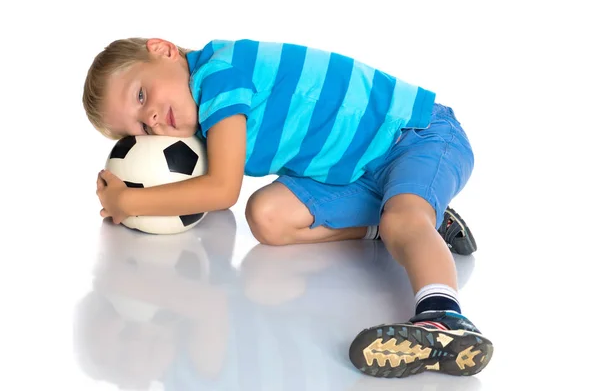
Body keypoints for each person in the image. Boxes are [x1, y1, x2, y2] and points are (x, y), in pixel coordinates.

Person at [83, 37, 493, 378]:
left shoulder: (219, 76)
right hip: (354, 174)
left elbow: (222, 190)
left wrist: (129, 201)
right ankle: (407, 220)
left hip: (418, 136)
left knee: (404, 219)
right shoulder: (182, 376)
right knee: (268, 217)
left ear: (164, 49)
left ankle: (443, 318)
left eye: (141, 95)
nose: (152, 118)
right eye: (140, 127)